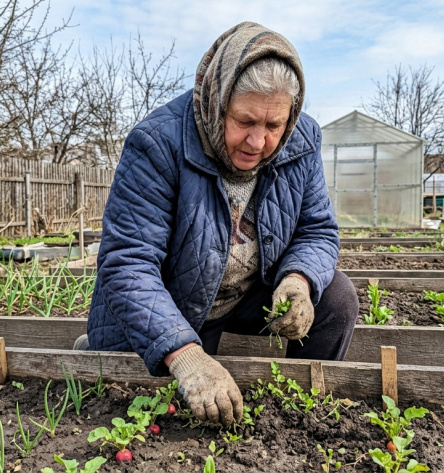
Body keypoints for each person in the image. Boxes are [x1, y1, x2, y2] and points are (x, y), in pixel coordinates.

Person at [78, 21, 358, 428]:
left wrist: (298, 280)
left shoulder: (303, 139)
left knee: (336, 297)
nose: (258, 142)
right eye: (244, 121)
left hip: (246, 293)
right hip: (179, 300)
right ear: (217, 101)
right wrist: (187, 357)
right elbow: (128, 262)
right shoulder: (158, 142)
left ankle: (304, 413)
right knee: (154, 404)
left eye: (274, 125)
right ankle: (104, 350)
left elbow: (317, 230)